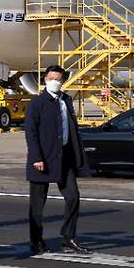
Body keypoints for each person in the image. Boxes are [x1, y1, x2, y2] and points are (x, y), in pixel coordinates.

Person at [25, 65, 90, 255]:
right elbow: (31, 131)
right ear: (45, 80)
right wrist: (36, 156)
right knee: (37, 204)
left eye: (58, 78)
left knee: (73, 196)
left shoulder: (66, 100)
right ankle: (36, 240)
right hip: (42, 159)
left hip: (64, 157)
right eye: (51, 77)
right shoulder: (37, 103)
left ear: (63, 81)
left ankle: (68, 237)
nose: (55, 81)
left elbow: (71, 129)